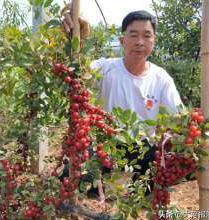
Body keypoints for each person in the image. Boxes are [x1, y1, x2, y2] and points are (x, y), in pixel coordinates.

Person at [61, 9, 184, 203]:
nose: (140, 42)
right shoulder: (105, 67)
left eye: (146, 35)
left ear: (154, 41)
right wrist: (75, 39)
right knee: (69, 177)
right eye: (133, 35)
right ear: (122, 40)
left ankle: (144, 187)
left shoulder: (161, 78)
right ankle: (97, 186)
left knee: (181, 158)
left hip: (143, 149)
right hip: (107, 144)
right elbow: (75, 72)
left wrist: (189, 140)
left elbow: (179, 117)